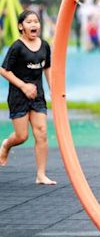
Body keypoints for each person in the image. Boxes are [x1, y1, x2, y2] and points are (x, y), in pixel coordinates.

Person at [0, 10, 56, 185]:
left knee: (42, 133)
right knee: (22, 136)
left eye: (36, 22)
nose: (34, 25)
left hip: (37, 96)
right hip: (18, 96)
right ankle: (6, 145)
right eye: (29, 22)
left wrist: (53, 89)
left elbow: (47, 68)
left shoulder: (45, 46)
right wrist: (23, 86)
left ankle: (41, 175)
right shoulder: (17, 47)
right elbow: (3, 70)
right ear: (21, 26)